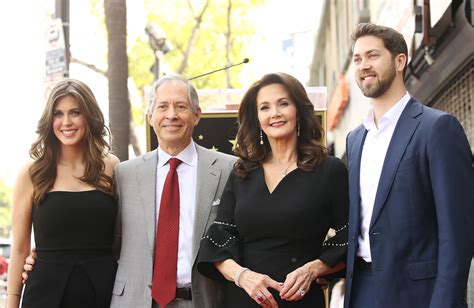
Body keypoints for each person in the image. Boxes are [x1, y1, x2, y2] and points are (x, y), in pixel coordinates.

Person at [344, 23, 474, 308]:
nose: (363, 65)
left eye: (373, 55)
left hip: (418, 295)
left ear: (400, 60)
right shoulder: (355, 140)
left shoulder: (437, 128)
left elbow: (459, 233)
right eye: (357, 59)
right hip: (362, 291)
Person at [197, 72, 348, 308]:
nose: (275, 113)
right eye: (265, 107)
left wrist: (315, 268)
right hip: (242, 300)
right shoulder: (242, 173)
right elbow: (217, 243)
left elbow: (350, 236)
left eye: (283, 104)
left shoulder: (330, 170)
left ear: (299, 111)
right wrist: (243, 276)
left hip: (300, 301)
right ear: (257, 118)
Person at [109, 74, 235, 308]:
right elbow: (108, 241)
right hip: (137, 301)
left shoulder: (228, 169)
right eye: (162, 107)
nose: (171, 115)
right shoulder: (124, 174)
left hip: (203, 301)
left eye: (181, 106)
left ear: (197, 115)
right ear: (150, 117)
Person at [7, 79, 120, 308]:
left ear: (89, 116)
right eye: (58, 114)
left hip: (104, 292)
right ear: (49, 120)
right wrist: (11, 303)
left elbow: (125, 239)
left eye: (75, 112)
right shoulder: (31, 173)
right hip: (44, 294)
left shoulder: (112, 167)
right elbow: (19, 249)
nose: (66, 122)